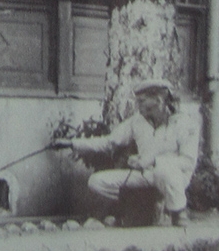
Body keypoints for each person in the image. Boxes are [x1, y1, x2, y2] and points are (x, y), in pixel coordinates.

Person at [53, 79, 199, 227]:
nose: (138, 105)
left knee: (164, 170)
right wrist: (72, 143)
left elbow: (188, 162)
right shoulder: (137, 121)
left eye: (142, 101)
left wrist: (154, 161)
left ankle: (178, 214)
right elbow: (110, 142)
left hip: (174, 178)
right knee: (96, 182)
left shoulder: (184, 123)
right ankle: (138, 206)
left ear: (158, 100)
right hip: (145, 175)